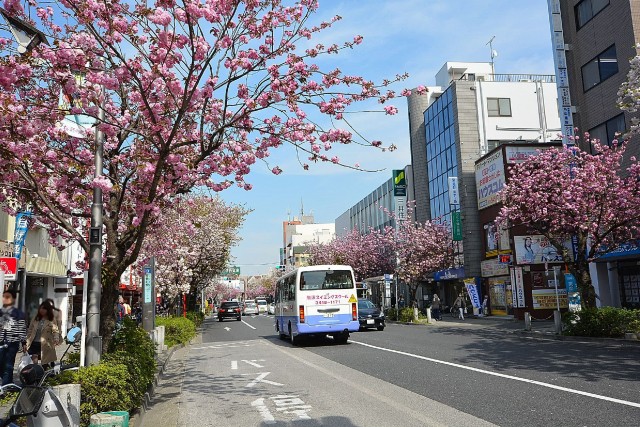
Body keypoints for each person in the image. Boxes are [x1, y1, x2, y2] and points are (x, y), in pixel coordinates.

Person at [0, 289, 27, 385]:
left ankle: (6, 386)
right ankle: (7, 383)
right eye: (4, 297)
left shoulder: (18, 314)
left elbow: (21, 329)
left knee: (8, 365)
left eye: (7, 297)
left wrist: (24, 343)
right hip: (1, 342)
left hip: (12, 343)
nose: (5, 299)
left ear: (13, 299)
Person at [26, 301, 60, 365]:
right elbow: (30, 330)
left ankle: (45, 373)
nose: (42, 310)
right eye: (41, 308)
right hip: (34, 342)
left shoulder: (51, 319)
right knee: (34, 361)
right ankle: (35, 373)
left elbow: (55, 330)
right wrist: (27, 341)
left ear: (48, 310)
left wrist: (56, 338)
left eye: (44, 309)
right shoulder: (35, 318)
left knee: (45, 362)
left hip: (45, 343)